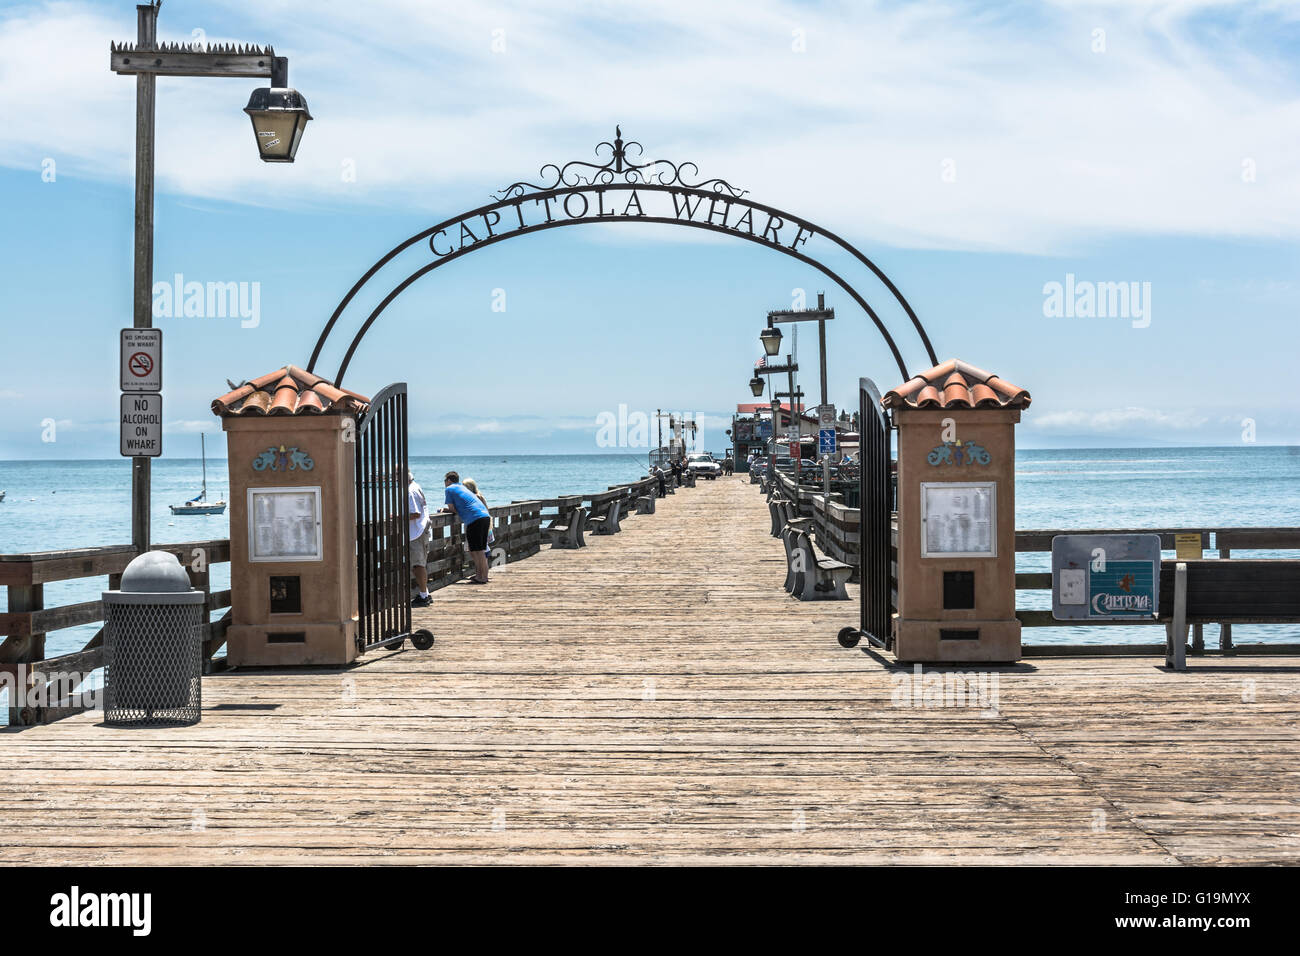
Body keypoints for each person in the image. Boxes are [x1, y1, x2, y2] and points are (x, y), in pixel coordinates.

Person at [441, 470, 492, 584]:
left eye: (445, 480)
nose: (444, 483)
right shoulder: (462, 487)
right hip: (484, 517)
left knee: (478, 550)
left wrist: (444, 510)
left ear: (449, 480)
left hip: (475, 519)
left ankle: (483, 577)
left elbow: (453, 509)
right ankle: (480, 575)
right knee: (476, 550)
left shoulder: (449, 489)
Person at [407, 470, 432, 607]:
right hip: (422, 530)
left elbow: (415, 513)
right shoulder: (416, 486)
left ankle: (423, 596)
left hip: (416, 532)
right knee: (419, 563)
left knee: (418, 565)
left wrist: (398, 517)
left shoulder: (410, 491)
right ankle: (425, 593)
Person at [463, 477, 495, 553]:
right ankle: (483, 563)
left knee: (477, 548)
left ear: (469, 488)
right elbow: (486, 510)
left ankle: (482, 564)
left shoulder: (472, 497)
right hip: (484, 523)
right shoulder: (480, 496)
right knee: (482, 546)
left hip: (475, 524)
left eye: (464, 487)